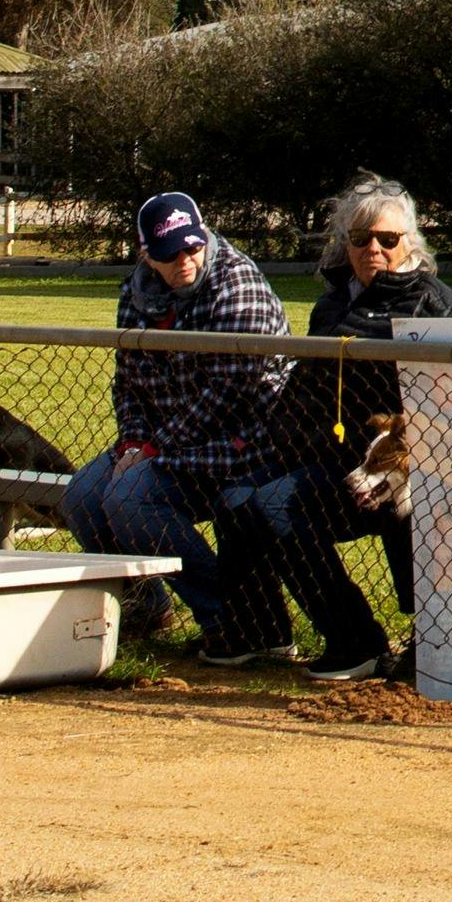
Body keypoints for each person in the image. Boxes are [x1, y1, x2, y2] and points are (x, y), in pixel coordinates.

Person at [219, 176, 452, 684]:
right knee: (239, 497)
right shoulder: (332, 304)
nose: (372, 248)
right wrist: (284, 439)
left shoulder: (434, 303)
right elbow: (306, 389)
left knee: (274, 502)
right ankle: (296, 633)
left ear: (410, 242)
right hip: (333, 459)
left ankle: (412, 641)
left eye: (387, 239)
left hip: (405, 471)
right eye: (360, 239)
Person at [65, 191, 293, 663]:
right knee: (82, 497)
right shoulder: (137, 291)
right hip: (169, 443)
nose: (185, 261)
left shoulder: (237, 283)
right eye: (171, 254)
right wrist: (131, 439)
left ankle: (231, 616)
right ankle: (147, 606)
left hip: (244, 441)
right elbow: (128, 378)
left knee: (128, 496)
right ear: (146, 253)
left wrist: (152, 449)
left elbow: (231, 390)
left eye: (193, 248)